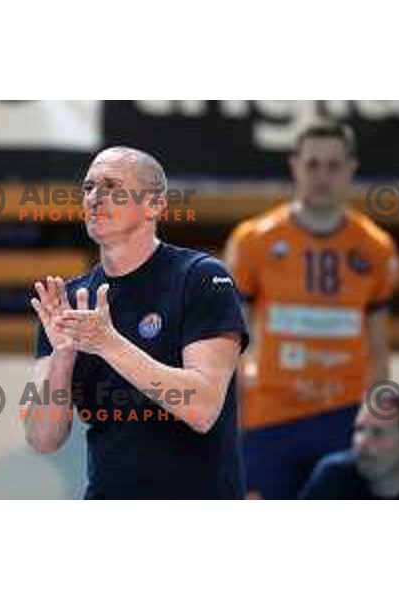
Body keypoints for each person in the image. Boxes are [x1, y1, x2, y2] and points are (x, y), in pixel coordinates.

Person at [25, 146, 249, 499]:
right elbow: (42, 438)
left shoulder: (201, 278)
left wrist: (108, 344)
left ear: (154, 205)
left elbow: (202, 407)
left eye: (112, 186)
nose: (94, 198)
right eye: (88, 187)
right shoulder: (67, 301)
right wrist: (62, 358)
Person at [224, 119, 399, 499]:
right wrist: (229, 421)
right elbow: (228, 342)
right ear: (295, 167)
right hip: (269, 414)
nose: (322, 175)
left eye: (333, 165)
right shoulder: (253, 240)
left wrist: (379, 422)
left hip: (345, 415)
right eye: (312, 164)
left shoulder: (376, 247)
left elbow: (379, 349)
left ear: (350, 169)